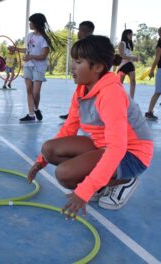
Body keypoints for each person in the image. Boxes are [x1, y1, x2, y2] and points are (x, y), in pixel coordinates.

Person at [27, 35, 153, 219]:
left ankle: (125, 180)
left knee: (65, 175)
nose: (72, 66)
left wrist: (85, 190)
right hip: (105, 147)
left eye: (78, 62)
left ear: (97, 67)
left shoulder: (111, 94)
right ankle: (103, 180)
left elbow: (117, 147)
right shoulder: (82, 90)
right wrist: (41, 160)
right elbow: (68, 129)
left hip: (132, 155)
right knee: (49, 149)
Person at [16, 13, 62, 121]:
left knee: (36, 92)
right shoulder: (29, 36)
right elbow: (27, 49)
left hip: (39, 67)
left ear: (36, 23)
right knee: (29, 90)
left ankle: (36, 108)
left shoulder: (45, 38)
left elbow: (43, 56)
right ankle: (31, 114)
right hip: (28, 66)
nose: (29, 24)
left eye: (31, 22)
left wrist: (30, 56)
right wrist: (16, 49)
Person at [59, 21, 95, 120]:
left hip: (88, 77)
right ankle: (73, 113)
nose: (78, 33)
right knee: (80, 94)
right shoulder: (84, 44)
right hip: (85, 77)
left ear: (84, 31)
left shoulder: (89, 46)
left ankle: (78, 114)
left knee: (87, 95)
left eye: (79, 30)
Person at [117, 29, 139, 98]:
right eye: (129, 34)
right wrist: (133, 57)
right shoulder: (122, 43)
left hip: (130, 64)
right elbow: (121, 55)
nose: (131, 36)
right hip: (123, 65)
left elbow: (128, 55)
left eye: (131, 34)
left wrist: (134, 58)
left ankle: (131, 98)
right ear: (125, 35)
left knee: (133, 81)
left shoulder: (129, 44)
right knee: (120, 83)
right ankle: (118, 97)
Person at [146, 27, 161, 120]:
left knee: (158, 92)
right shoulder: (159, 45)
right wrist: (151, 70)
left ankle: (150, 112)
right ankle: (149, 112)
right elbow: (157, 58)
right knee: (158, 92)